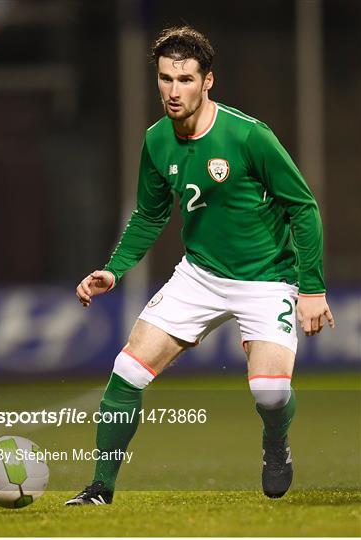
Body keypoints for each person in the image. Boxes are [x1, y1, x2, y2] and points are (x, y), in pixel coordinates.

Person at [65, 25, 335, 505]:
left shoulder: (249, 136)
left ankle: (276, 442)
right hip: (200, 276)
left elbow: (304, 207)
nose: (173, 91)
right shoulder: (156, 141)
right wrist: (115, 268)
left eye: (185, 79)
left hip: (268, 279)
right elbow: (150, 213)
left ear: (208, 80)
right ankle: (99, 490)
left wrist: (311, 289)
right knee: (127, 369)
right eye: (165, 78)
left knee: (270, 395)